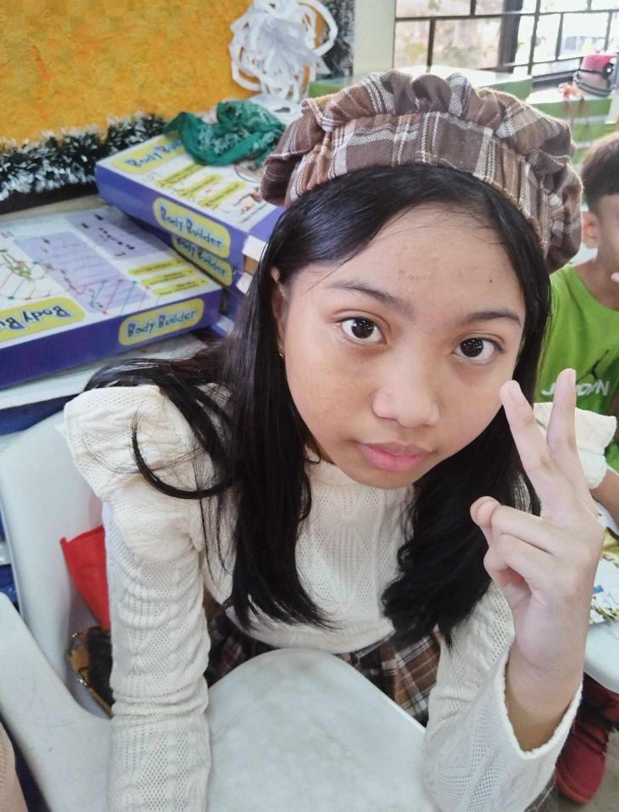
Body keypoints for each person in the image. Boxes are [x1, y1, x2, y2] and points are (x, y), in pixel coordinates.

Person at [62, 71, 612, 812]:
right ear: (281, 309)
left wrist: (548, 658)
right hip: (243, 673)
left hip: (409, 663)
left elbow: (467, 795)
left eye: (475, 346)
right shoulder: (179, 457)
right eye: (361, 326)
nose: (410, 409)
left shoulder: (506, 479)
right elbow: (159, 712)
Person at [534, 130, 619, 804]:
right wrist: (607, 488)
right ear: (592, 226)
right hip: (544, 476)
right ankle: (575, 701)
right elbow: (524, 418)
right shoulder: (554, 300)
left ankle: (602, 704)